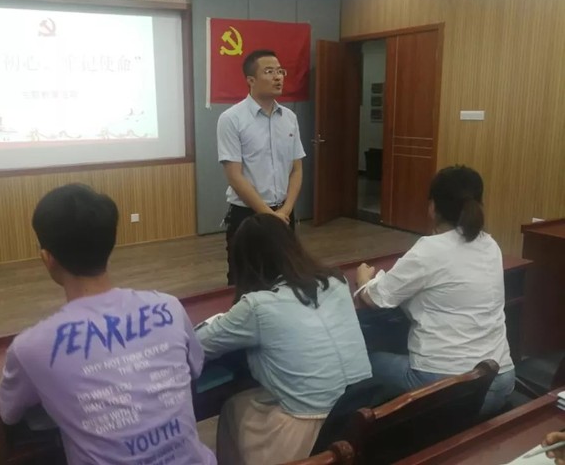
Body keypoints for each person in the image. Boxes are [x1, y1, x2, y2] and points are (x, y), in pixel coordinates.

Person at [0, 184, 215, 465]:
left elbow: (9, 413)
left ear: (47, 259)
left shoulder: (30, 348)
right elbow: (196, 366)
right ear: (110, 244)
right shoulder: (169, 307)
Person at [196, 214, 372, 465]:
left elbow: (197, 344)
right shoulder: (336, 280)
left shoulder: (257, 306)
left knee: (233, 407)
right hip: (360, 407)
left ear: (246, 261)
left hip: (308, 428)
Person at [356, 165, 515, 416]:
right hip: (502, 379)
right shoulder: (490, 244)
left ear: (432, 207)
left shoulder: (430, 250)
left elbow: (375, 298)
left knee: (363, 362)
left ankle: (374, 430)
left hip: (449, 391)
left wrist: (364, 280)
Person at [217, 49, 306, 284]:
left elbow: (296, 169)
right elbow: (234, 175)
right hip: (248, 216)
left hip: (284, 213)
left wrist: (285, 211)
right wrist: (268, 215)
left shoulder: (289, 118)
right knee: (245, 282)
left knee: (285, 278)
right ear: (251, 80)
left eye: (280, 71)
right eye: (269, 71)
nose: (278, 77)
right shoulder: (231, 119)